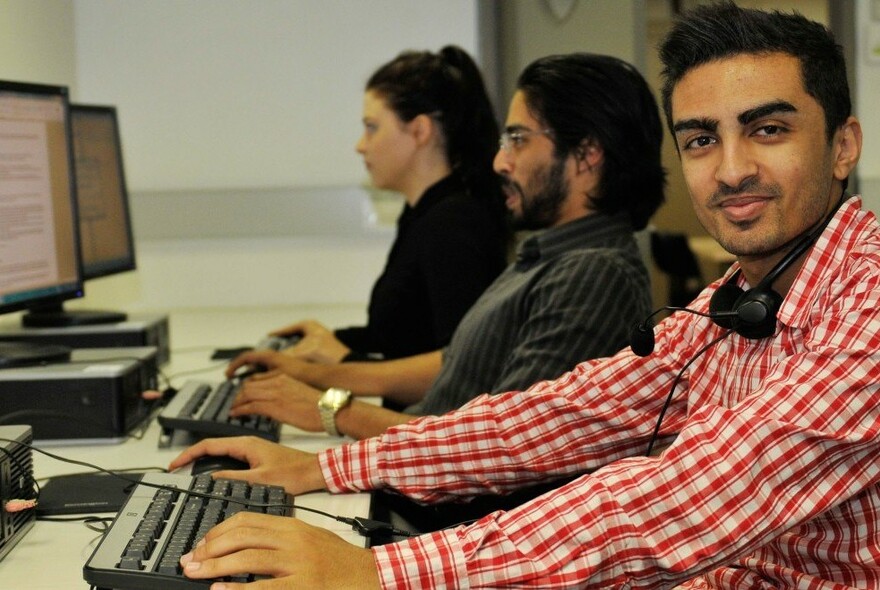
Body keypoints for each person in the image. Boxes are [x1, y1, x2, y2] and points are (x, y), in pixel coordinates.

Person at [171, 3, 879, 588]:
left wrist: (379, 573)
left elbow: (687, 494)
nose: (731, 170)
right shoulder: (733, 302)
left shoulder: (869, 302)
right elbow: (551, 418)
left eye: (768, 129)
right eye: (700, 140)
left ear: (844, 145)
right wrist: (324, 465)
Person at [223, 52, 665, 440]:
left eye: (518, 139)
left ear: (586, 156)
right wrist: (315, 377)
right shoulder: (552, 256)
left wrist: (329, 409)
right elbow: (456, 367)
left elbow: (499, 444)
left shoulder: (593, 274)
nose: (500, 161)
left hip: (450, 515)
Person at [279, 46, 509, 363]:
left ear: (419, 131)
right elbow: (404, 339)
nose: (361, 145)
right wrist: (327, 340)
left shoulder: (452, 223)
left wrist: (344, 363)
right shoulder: (423, 213)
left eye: (372, 127)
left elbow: (460, 368)